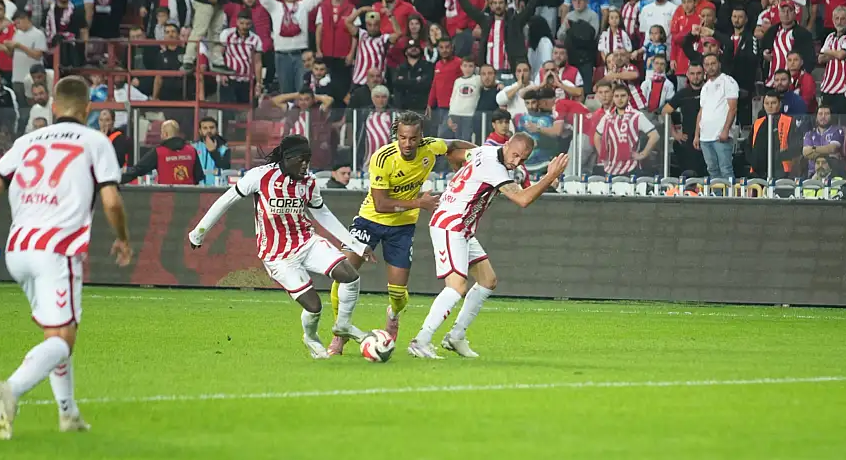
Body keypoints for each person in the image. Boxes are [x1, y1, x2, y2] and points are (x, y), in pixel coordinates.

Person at [0, 75, 132, 440]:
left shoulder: (27, 141)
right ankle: (12, 390)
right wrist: (123, 238)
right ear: (88, 108)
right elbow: (112, 201)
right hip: (56, 250)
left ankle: (68, 414)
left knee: (56, 333)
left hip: (18, 249)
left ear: (53, 106)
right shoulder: (95, 141)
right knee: (63, 340)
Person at [188, 134, 371, 359]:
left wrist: (356, 245)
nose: (305, 165)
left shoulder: (309, 181)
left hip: (306, 241)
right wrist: (198, 233)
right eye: (301, 160)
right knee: (314, 307)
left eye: (308, 160)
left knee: (350, 275)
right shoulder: (260, 176)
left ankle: (342, 325)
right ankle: (311, 337)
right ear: (287, 158)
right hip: (277, 256)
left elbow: (323, 214)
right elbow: (224, 201)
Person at [328, 111, 474, 356]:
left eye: (413, 138)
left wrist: (483, 154)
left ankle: (393, 316)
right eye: (403, 138)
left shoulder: (431, 148)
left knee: (397, 293)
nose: (407, 143)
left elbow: (455, 144)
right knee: (344, 273)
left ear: (421, 137)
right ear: (397, 135)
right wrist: (419, 203)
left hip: (402, 227)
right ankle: (339, 334)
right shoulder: (383, 157)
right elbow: (380, 204)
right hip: (369, 221)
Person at [410, 142, 569, 359]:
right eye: (515, 155)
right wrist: (549, 177)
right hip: (451, 224)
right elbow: (522, 199)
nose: (516, 162)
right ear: (508, 144)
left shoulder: (483, 151)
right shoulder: (494, 167)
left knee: (488, 281)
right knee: (456, 287)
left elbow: (454, 152)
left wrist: (461, 177)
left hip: (463, 227)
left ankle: (456, 336)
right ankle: (421, 340)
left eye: (522, 159)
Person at [694, 53, 738, 180]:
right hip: (705, 137)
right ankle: (717, 193)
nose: (710, 67)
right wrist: (697, 135)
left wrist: (726, 130)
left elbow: (733, 108)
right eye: (707, 64)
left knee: (725, 169)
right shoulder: (705, 87)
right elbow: (701, 112)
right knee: (712, 170)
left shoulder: (728, 81)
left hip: (720, 135)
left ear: (719, 64)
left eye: (713, 63)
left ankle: (730, 193)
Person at [121, 119, 203, 185]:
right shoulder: (192, 150)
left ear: (165, 134)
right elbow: (198, 176)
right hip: (189, 196)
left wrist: (119, 180)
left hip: (166, 196)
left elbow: (138, 170)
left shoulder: (158, 152)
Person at [195, 116, 231, 184]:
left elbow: (225, 167)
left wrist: (213, 152)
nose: (209, 131)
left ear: (216, 130)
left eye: (212, 128)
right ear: (200, 131)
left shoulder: (224, 149)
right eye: (205, 128)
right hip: (198, 187)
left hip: (218, 187)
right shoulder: (194, 148)